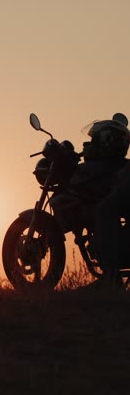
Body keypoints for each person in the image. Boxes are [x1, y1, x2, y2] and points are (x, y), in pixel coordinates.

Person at [83, 113, 130, 286]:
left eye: (95, 140)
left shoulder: (116, 165)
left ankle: (111, 276)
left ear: (106, 141)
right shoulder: (118, 164)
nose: (90, 144)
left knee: (105, 209)